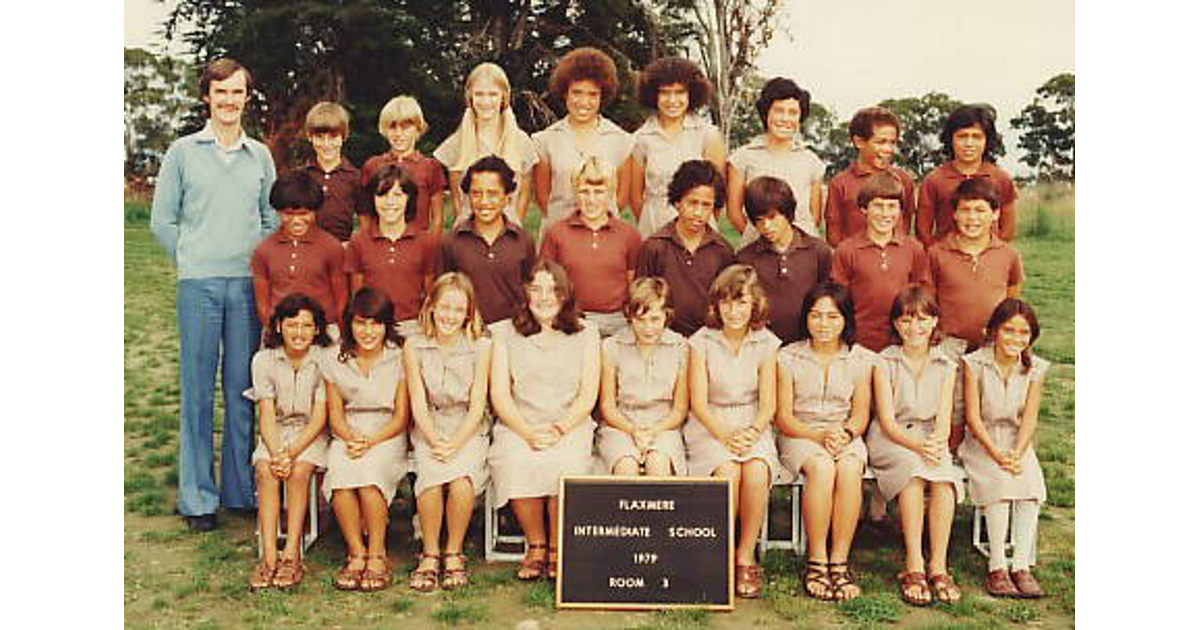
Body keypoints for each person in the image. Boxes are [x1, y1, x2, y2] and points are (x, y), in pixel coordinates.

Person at [150, 57, 277, 531]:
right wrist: (191, 259)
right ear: (207, 96)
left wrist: (254, 263)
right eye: (220, 92)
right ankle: (198, 496)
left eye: (237, 92)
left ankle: (240, 489)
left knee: (243, 390)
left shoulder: (259, 155)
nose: (229, 101)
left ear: (247, 97)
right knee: (199, 392)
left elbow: (271, 219)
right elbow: (162, 220)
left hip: (246, 286)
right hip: (199, 284)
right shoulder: (183, 152)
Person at [488, 260, 601, 581]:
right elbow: (500, 395)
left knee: (565, 462)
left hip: (569, 422)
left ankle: (558, 546)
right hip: (519, 423)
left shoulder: (586, 332)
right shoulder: (504, 333)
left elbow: (588, 394)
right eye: (536, 289)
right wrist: (526, 432)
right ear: (524, 292)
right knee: (515, 458)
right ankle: (535, 544)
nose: (544, 297)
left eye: (553, 289)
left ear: (565, 294)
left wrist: (560, 429)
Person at [685, 265, 783, 599]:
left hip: (752, 422)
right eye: (726, 303)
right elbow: (698, 402)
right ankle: (717, 552)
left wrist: (753, 431)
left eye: (741, 303)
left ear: (755, 305)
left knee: (755, 471)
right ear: (716, 305)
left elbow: (769, 403)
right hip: (710, 423)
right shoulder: (701, 342)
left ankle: (745, 555)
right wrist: (725, 435)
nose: (734, 311)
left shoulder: (768, 343)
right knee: (727, 471)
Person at [865, 286, 963, 606]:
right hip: (892, 439)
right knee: (913, 478)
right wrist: (919, 448)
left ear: (934, 322)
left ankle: (938, 565)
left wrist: (935, 444)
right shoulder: (883, 362)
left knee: (944, 484)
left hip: (929, 438)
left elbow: (944, 418)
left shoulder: (947, 365)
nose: (914, 328)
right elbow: (888, 422)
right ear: (895, 324)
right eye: (906, 320)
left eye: (922, 319)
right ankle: (913, 564)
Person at [775, 282, 873, 602]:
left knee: (848, 467)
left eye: (832, 316)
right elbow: (784, 418)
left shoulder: (860, 359)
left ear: (845, 319)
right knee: (820, 468)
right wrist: (818, 437)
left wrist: (844, 434)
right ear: (806, 318)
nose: (824, 324)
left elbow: (860, 415)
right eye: (816, 316)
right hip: (800, 434)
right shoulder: (788, 356)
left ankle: (839, 561)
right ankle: (816, 559)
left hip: (844, 432)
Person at [403, 273, 493, 592]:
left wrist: (455, 443)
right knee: (429, 476)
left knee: (460, 480)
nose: (450, 317)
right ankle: (429, 553)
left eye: (458, 310)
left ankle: (453, 551)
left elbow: (478, 404)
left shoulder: (481, 347)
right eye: (444, 308)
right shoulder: (414, 345)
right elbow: (417, 400)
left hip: (467, 428)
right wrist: (433, 440)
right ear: (431, 307)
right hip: (430, 425)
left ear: (468, 313)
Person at [320, 288, 411, 592]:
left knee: (371, 474)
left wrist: (371, 441)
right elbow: (335, 415)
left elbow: (401, 417)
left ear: (386, 325)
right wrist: (350, 438)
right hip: (349, 429)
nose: (368, 331)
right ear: (350, 324)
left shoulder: (399, 356)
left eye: (375, 323)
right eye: (361, 323)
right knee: (342, 472)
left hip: (386, 431)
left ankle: (378, 553)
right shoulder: (334, 357)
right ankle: (356, 551)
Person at [958, 298, 1049, 599]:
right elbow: (972, 416)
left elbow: (1031, 418)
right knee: (999, 482)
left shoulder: (1036, 369)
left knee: (1029, 484)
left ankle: (1021, 565)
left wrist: (1017, 453)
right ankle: (997, 564)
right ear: (994, 331)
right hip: (982, 439)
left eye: (1024, 333)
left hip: (1016, 441)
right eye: (1009, 330)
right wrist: (997, 455)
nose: (1016, 339)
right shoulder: (975, 363)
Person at [246, 294, 334, 590]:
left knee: (298, 471)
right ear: (279, 326)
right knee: (265, 472)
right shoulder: (263, 360)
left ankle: (292, 553)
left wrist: (292, 453)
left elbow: (320, 418)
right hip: (276, 432)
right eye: (292, 324)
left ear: (318, 330)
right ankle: (269, 556)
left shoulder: (325, 360)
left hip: (311, 433)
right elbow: (266, 414)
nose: (299, 332)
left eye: (307, 326)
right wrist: (276, 453)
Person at [928, 177, 1024, 445]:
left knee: (988, 403)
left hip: (991, 344)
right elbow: (929, 299)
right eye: (966, 210)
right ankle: (951, 453)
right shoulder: (937, 253)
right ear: (955, 214)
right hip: (950, 344)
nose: (972, 218)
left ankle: (986, 453)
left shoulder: (1007, 255)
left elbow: (1012, 297)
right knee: (953, 403)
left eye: (980, 210)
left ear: (995, 214)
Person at [533, 47, 635, 233]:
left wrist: (594, 222)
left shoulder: (621, 140)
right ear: (565, 92)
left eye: (592, 94)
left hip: (604, 237)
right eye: (577, 92)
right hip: (557, 237)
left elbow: (621, 198)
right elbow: (542, 197)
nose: (584, 102)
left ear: (602, 95)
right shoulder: (545, 141)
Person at [540, 157, 642, 337]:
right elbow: (547, 282)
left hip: (616, 321)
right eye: (584, 191)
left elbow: (633, 283)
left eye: (599, 191)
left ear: (611, 192)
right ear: (574, 193)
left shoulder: (628, 234)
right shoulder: (556, 233)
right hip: (572, 318)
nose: (591, 199)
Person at [596, 277, 689, 476]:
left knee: (659, 463)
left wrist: (653, 430)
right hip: (620, 424)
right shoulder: (612, 346)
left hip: (664, 425)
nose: (648, 328)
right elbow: (608, 406)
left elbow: (680, 409)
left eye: (655, 319)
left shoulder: (681, 347)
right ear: (629, 316)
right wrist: (633, 431)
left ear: (667, 315)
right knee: (625, 466)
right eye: (640, 320)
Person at [830, 171, 931, 353]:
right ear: (864, 209)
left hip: (902, 343)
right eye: (878, 206)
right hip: (860, 344)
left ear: (901, 210)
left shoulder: (913, 248)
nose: (885, 214)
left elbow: (920, 297)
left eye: (892, 206)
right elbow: (839, 302)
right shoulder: (846, 250)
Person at [635, 160, 735, 337]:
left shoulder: (722, 251)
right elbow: (641, 301)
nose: (698, 212)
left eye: (706, 205)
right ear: (677, 201)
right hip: (663, 340)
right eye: (692, 203)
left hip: (708, 339)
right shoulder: (654, 247)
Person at [629, 56, 726, 237]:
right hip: (654, 228)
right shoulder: (640, 139)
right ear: (654, 95)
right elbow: (635, 197)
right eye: (665, 92)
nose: (672, 100)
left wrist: (699, 220)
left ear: (691, 94)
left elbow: (718, 196)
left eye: (680, 92)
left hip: (699, 230)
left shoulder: (708, 135)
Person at [435, 62, 539, 226]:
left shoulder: (522, 142)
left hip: (508, 236)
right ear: (470, 97)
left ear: (503, 97)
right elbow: (456, 199)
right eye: (479, 94)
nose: (486, 101)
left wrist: (513, 231)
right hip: (469, 236)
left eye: (492, 94)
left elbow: (524, 194)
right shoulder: (456, 143)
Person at [439, 156, 538, 328]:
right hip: (468, 333)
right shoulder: (452, 242)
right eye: (476, 193)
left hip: (513, 332)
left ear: (507, 197)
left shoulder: (523, 241)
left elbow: (531, 289)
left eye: (492, 194)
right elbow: (443, 291)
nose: (484, 201)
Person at [345, 164, 440, 339]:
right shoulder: (358, 242)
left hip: (413, 327)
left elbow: (430, 294)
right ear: (372, 199)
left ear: (409, 198)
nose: (390, 202)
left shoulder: (426, 242)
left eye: (397, 195)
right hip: (372, 328)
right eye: (382, 194)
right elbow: (357, 296)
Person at [736, 176, 832, 344]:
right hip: (761, 345)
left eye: (772, 217)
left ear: (788, 213)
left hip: (807, 345)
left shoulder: (818, 251)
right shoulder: (745, 258)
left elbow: (827, 299)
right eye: (759, 220)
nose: (766, 226)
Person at [251, 170, 346, 339]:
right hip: (280, 332)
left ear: (315, 211)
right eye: (288, 214)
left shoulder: (331, 247)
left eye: (304, 214)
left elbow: (341, 300)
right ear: (278, 212)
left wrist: (342, 335)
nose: (296, 221)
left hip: (324, 332)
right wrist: (274, 329)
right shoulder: (264, 250)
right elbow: (262, 303)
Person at [726, 77, 826, 240]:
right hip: (758, 251)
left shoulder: (812, 162)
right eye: (779, 111)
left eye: (793, 113)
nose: (785, 119)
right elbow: (734, 212)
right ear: (766, 113)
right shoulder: (742, 158)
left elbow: (814, 216)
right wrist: (760, 241)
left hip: (801, 252)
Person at [916, 104, 1018, 247]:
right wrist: (938, 256)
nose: (969, 144)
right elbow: (922, 231)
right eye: (962, 136)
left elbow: (1007, 230)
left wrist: (993, 255)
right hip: (945, 262)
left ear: (987, 140)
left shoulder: (1001, 179)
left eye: (976, 137)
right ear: (950, 139)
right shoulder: (934, 180)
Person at [824, 106, 917, 247]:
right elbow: (833, 236)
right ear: (859, 142)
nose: (888, 149)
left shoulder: (904, 180)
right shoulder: (840, 183)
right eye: (881, 142)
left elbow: (905, 224)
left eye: (892, 142)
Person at [362, 95, 447, 234]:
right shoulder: (373, 165)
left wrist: (432, 247)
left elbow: (437, 218)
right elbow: (366, 215)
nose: (398, 134)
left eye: (405, 127)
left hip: (419, 246)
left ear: (418, 129)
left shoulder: (430, 166)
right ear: (384, 129)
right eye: (393, 127)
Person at [301, 101, 361, 242]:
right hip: (308, 251)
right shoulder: (301, 177)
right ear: (310, 137)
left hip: (342, 251)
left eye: (333, 137)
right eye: (320, 137)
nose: (326, 144)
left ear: (344, 136)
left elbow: (366, 224)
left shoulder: (355, 177)